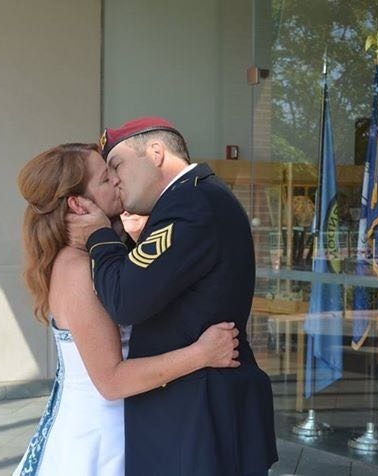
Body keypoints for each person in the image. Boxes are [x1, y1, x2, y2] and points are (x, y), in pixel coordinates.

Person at [12, 142, 242, 476]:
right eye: (106, 178)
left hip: (125, 422)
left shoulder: (97, 255)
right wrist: (201, 354)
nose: (117, 180)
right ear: (78, 204)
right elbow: (111, 381)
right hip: (99, 438)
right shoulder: (77, 269)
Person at [67, 118, 279, 476]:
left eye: (117, 165)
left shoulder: (189, 206)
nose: (114, 179)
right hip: (197, 408)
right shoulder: (196, 199)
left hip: (194, 416)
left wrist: (99, 236)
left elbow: (124, 300)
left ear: (155, 153)